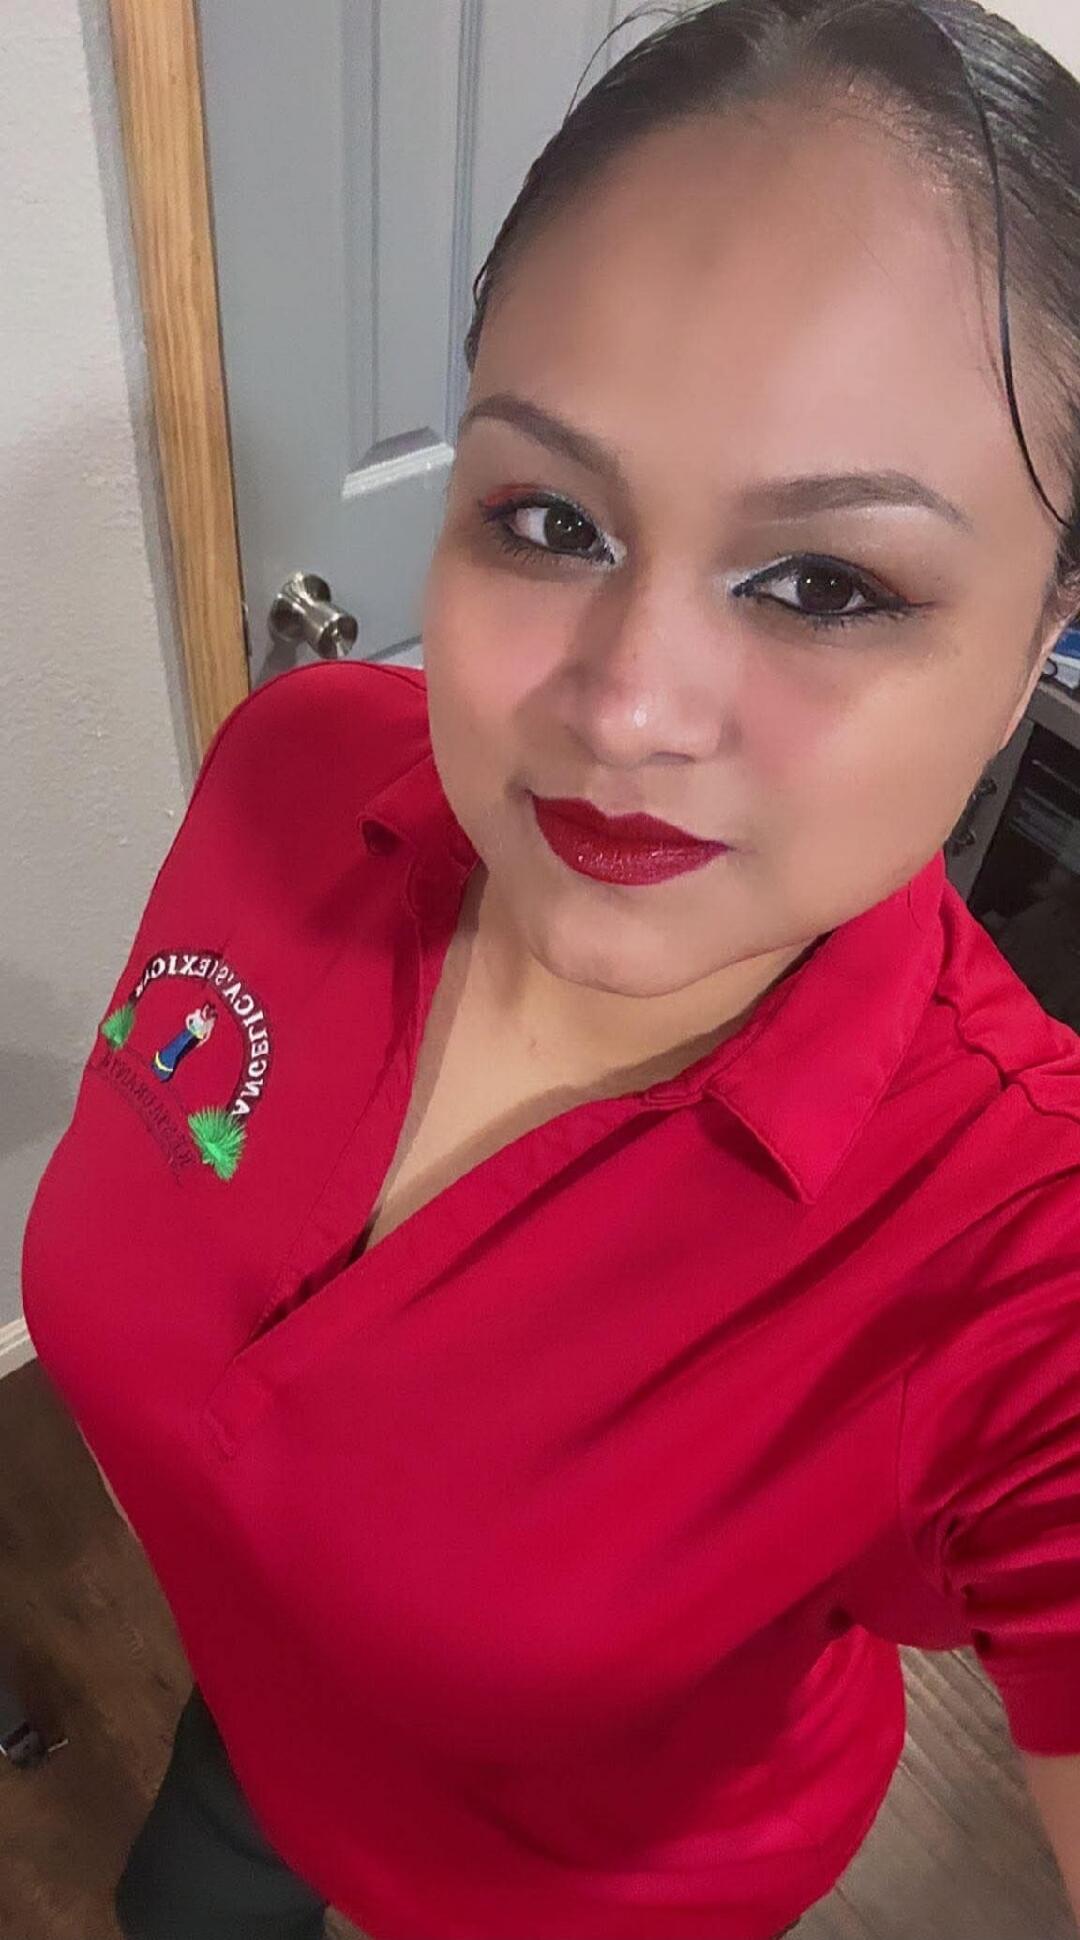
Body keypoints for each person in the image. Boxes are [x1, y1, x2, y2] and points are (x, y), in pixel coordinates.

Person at [21, 0, 1080, 1934]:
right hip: (261, 1739)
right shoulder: (302, 762)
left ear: (1044, 631)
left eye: (828, 582)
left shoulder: (1024, 1241)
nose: (629, 705)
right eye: (549, 519)